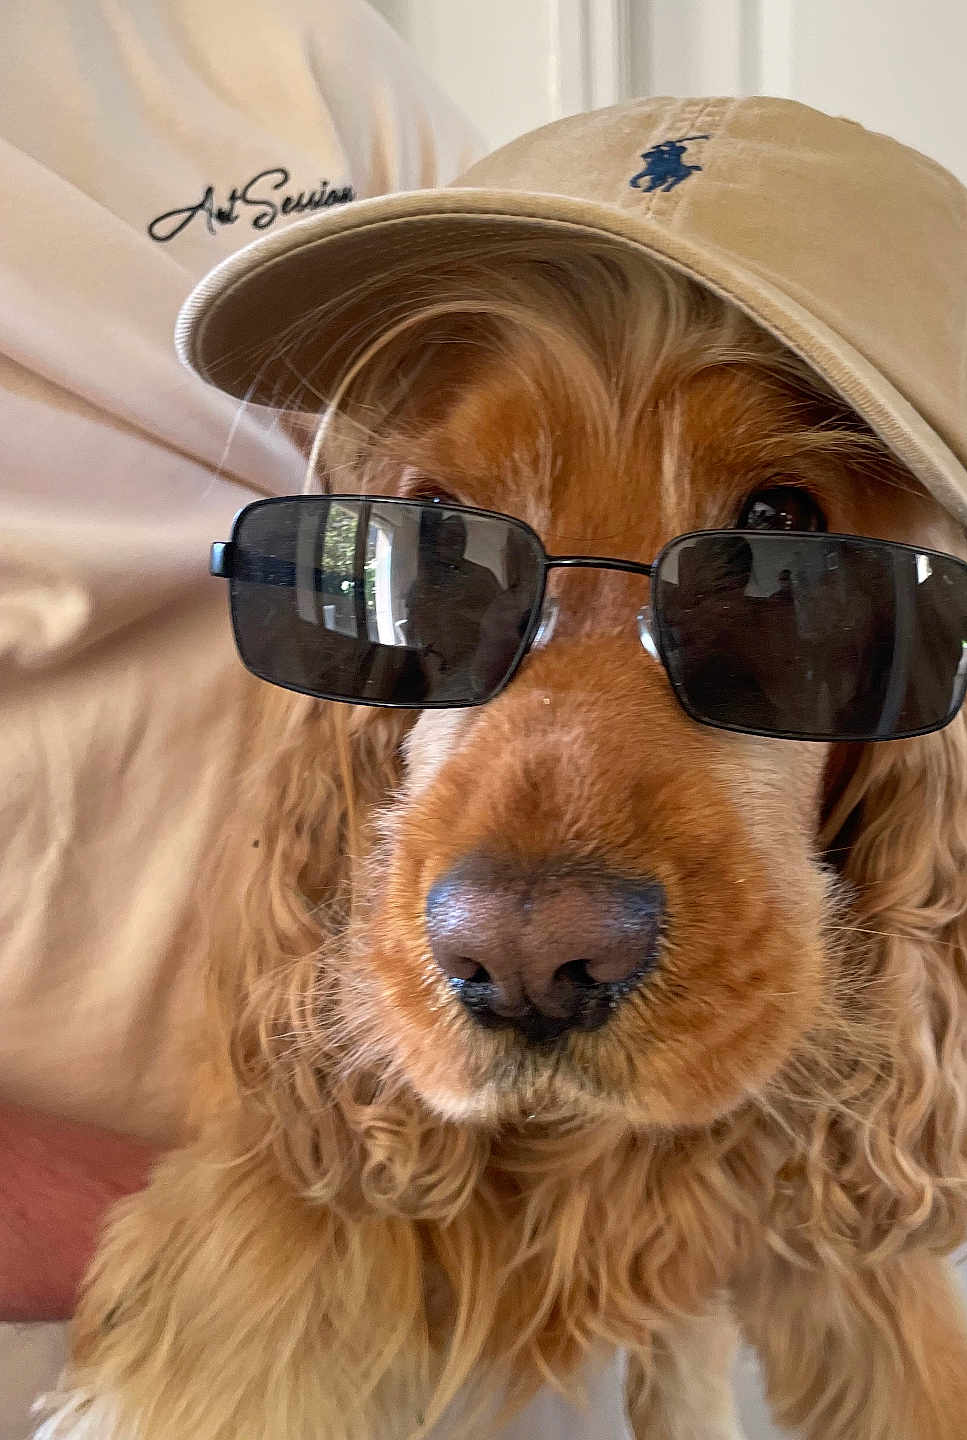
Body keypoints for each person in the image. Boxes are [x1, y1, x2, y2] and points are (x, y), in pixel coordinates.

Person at [0, 0, 481, 1422]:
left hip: (468, 1203)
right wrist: (243, 1245)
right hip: (107, 1303)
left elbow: (558, 468)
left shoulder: (283, 44)